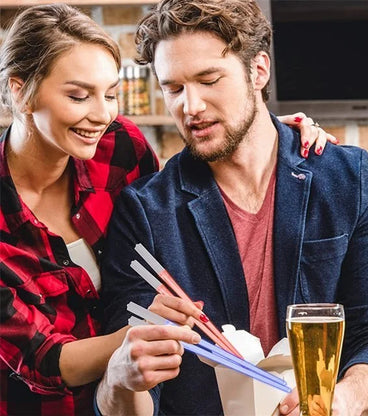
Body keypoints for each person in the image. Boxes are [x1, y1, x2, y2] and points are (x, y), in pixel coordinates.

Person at [0, 3, 330, 416]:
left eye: (110, 94)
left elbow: (168, 206)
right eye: (78, 96)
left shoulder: (118, 149)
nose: (101, 114)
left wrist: (260, 131)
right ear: (19, 91)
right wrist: (136, 338)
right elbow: (42, 357)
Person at [96, 0, 368, 415]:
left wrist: (341, 402)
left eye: (209, 80)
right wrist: (119, 382)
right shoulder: (145, 210)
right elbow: (133, 391)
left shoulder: (346, 178)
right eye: (173, 88)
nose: (190, 107)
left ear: (258, 70)